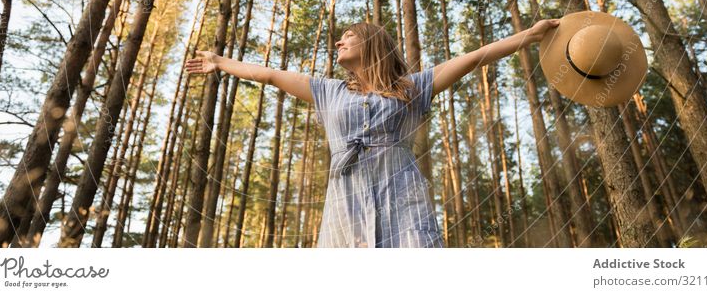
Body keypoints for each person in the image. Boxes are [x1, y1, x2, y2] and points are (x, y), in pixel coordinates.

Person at [185, 18, 560, 247]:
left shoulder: (413, 87)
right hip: (345, 202)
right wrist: (221, 63)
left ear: (372, 43)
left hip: (403, 197)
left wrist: (530, 35)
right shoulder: (327, 91)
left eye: (348, 36)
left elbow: (474, 57)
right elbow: (268, 74)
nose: (338, 42)